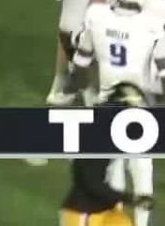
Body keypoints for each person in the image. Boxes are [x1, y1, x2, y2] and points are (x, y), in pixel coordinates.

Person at [65, 0, 165, 226]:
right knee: (142, 170)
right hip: (138, 107)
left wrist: (76, 96)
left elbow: (82, 61)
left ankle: (115, 217)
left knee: (113, 169)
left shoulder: (96, 15)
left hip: (106, 104)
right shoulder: (152, 24)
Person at [58, 85, 153, 226]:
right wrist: (131, 199)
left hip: (105, 209)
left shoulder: (104, 128)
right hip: (85, 213)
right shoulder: (98, 136)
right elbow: (91, 182)